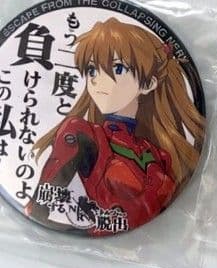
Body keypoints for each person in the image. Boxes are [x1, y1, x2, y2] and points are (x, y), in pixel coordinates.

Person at [28, 17, 205, 234]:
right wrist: (90, 234)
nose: (97, 80)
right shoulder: (83, 135)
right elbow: (38, 210)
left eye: (118, 68)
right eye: (92, 70)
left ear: (148, 84)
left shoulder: (158, 154)